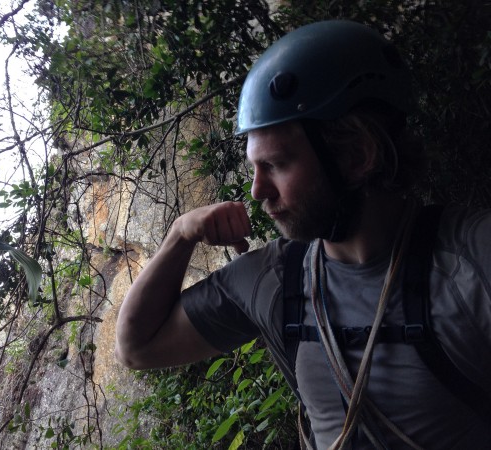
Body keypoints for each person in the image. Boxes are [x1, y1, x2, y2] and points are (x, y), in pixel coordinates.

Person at [115, 20, 491, 449]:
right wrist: (180, 235)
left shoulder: (471, 262)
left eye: (275, 165)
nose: (257, 191)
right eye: (254, 168)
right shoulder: (275, 279)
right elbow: (136, 347)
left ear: (356, 155)